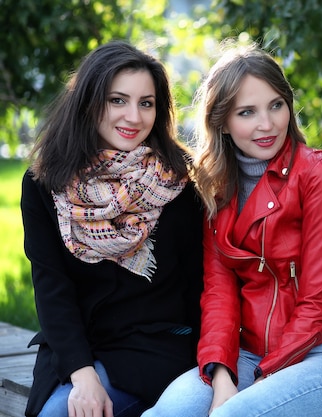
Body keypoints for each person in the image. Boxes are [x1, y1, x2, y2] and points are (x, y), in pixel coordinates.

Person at [142, 42, 322, 417]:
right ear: (222, 122)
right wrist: (222, 376)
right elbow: (218, 294)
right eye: (247, 112)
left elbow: (318, 300)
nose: (267, 125)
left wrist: (265, 381)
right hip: (249, 354)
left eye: (276, 105)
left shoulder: (320, 175)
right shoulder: (216, 188)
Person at [20, 40, 204, 417]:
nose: (133, 117)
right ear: (89, 102)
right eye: (117, 100)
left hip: (154, 348)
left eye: (146, 103)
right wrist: (82, 374)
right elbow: (51, 285)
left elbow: (199, 282)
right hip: (75, 348)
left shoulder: (178, 179)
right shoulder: (46, 181)